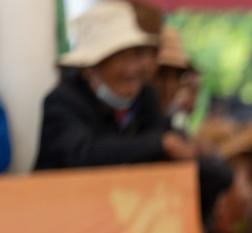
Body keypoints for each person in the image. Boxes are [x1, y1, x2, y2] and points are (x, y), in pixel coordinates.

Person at [34, 1, 193, 170]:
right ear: (90, 69)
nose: (133, 68)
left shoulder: (145, 97)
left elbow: (167, 148)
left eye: (136, 54)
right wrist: (159, 143)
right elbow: (82, 154)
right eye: (121, 57)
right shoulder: (62, 102)